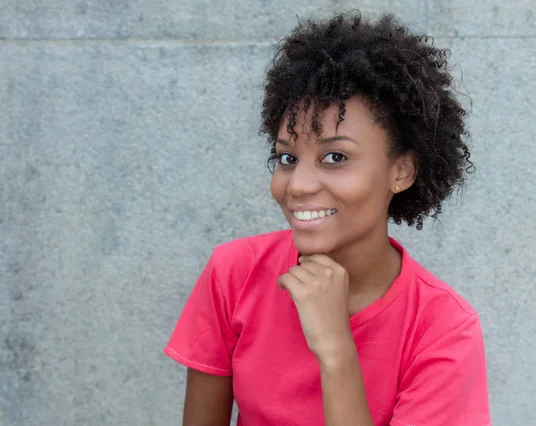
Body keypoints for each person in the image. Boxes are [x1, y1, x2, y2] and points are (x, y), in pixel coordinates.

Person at [164, 11, 491, 426]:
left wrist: (336, 348)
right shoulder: (235, 274)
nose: (298, 184)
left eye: (335, 157)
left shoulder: (442, 330)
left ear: (402, 171)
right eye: (287, 157)